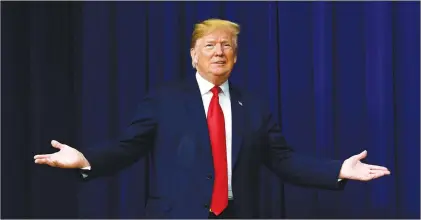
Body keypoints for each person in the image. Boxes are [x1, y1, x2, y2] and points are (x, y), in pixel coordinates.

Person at [34, 18, 390, 219]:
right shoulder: (164, 99)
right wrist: (86, 160)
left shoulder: (253, 106)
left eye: (227, 45)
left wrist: (337, 170)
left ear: (235, 57)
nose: (219, 51)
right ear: (193, 55)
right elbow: (128, 148)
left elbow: (284, 161)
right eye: (209, 45)